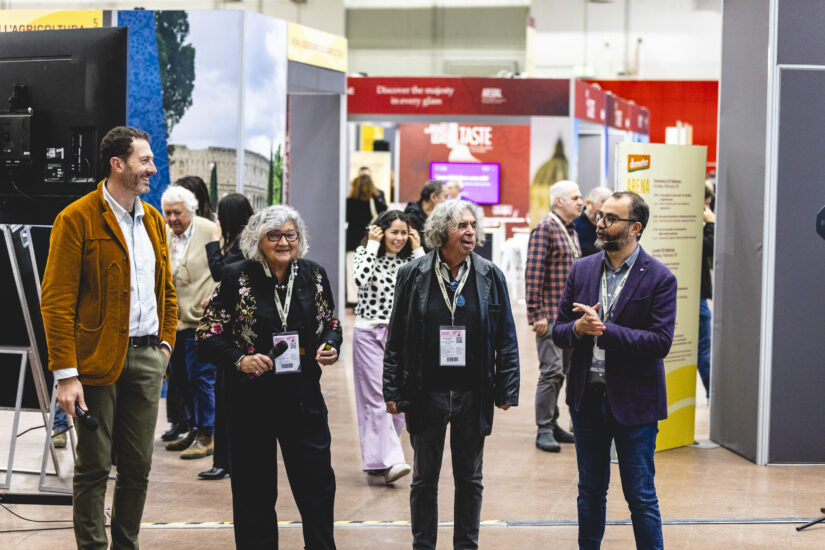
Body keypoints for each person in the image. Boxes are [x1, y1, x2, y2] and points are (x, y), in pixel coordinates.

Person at [40, 126, 177, 549]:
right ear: (117, 164)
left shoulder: (154, 220)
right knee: (94, 467)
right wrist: (66, 375)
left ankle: (126, 545)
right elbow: (56, 302)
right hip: (96, 362)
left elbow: (166, 290)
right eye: (144, 161)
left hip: (148, 358)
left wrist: (165, 347)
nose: (152, 169)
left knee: (138, 467)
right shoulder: (76, 218)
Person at [197, 205, 341, 549]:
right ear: (257, 240)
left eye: (290, 234)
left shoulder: (314, 275)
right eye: (274, 235)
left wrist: (330, 345)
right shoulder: (235, 276)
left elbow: (330, 322)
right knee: (254, 492)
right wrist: (240, 360)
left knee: (318, 486)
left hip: (302, 397)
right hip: (251, 400)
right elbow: (207, 334)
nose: (283, 242)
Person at [384, 200, 520, 550]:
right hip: (426, 391)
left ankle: (466, 546)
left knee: (470, 479)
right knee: (423, 478)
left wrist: (507, 387)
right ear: (441, 232)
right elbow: (396, 335)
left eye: (473, 225)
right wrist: (392, 389)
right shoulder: (412, 273)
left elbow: (506, 335)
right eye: (462, 226)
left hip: (473, 392)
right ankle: (423, 545)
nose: (471, 232)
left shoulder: (490, 275)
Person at [552, 191, 676, 550]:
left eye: (610, 219)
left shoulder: (660, 278)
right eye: (600, 216)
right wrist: (578, 329)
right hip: (587, 400)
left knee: (640, 495)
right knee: (590, 490)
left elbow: (660, 342)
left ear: (635, 227)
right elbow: (560, 330)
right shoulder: (582, 269)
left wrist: (605, 331)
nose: (600, 224)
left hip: (635, 404)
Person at [352, 210, 424, 484]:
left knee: (400, 399)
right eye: (394, 232)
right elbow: (360, 279)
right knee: (376, 397)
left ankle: (376, 458)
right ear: (381, 232)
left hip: (402, 337)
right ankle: (392, 459)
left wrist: (417, 249)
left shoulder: (410, 261)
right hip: (369, 333)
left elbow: (428, 285)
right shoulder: (365, 253)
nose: (399, 238)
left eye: (404, 232)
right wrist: (372, 245)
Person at [198, 192, 254, 481]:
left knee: (228, 398)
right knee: (225, 397)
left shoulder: (244, 243)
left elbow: (221, 272)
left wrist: (213, 241)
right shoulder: (242, 242)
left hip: (237, 333)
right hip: (234, 330)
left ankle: (226, 461)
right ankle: (226, 460)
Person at [161, 185, 218, 460]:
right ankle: (195, 429)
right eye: (168, 213)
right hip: (174, 322)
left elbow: (223, 268)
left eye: (178, 213)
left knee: (201, 379)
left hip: (200, 321)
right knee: (181, 380)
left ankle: (208, 434)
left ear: (191, 210)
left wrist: (215, 297)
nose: (172, 218)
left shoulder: (208, 230)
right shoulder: (163, 233)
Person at [526, 180, 583, 453]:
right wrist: (535, 313)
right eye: (575, 197)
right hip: (549, 317)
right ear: (558, 201)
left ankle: (553, 422)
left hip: (569, 319)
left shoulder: (571, 230)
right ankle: (544, 429)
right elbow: (533, 273)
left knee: (563, 373)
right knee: (551, 372)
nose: (580, 202)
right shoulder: (545, 228)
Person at [698, 182, 715, 399]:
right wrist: (711, 224)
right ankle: (712, 392)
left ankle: (712, 391)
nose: (708, 210)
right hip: (696, 295)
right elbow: (709, 247)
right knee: (704, 347)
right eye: (706, 205)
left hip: (696, 293)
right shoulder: (695, 225)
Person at [345, 174, 387, 252]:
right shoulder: (376, 201)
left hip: (353, 239)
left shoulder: (349, 202)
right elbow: (384, 213)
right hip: (371, 238)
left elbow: (346, 218)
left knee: (352, 259)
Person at [403, 179, 448, 245]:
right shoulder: (411, 217)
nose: (447, 201)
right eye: (446, 197)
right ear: (433, 197)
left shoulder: (439, 215)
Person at [573, 186, 613, 258]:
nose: (601, 221)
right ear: (588, 203)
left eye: (608, 215)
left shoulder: (611, 224)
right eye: (599, 213)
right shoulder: (574, 224)